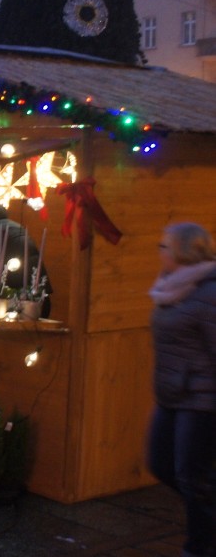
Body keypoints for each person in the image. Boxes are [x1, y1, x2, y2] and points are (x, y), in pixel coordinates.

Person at [146, 222, 216, 557]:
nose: (160, 251)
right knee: (161, 464)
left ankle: (200, 547)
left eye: (165, 246)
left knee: (190, 476)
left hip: (202, 398)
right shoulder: (169, 288)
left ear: (184, 251)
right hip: (171, 394)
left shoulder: (209, 292)